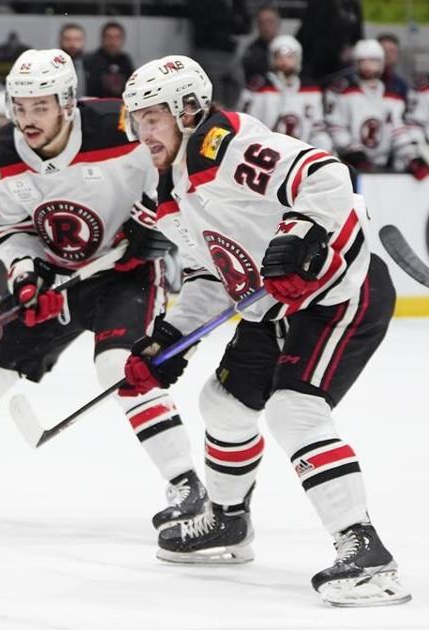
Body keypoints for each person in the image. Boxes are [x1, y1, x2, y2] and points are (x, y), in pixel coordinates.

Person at [0, 49, 206, 538]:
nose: (28, 119)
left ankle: (186, 483)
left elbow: (174, 162)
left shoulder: (119, 127)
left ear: (68, 102)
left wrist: (156, 218)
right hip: (54, 275)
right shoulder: (2, 154)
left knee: (119, 367)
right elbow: (8, 226)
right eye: (21, 107)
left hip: (126, 271)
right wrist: (27, 273)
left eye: (41, 106)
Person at [121, 55, 411, 607]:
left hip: (339, 292)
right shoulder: (169, 191)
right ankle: (228, 523)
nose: (143, 131)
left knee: (293, 409)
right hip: (272, 308)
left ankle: (366, 554)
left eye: (153, 117)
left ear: (188, 110)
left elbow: (323, 175)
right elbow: (211, 273)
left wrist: (301, 238)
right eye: (136, 120)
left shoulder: (224, 147)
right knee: (223, 404)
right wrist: (168, 336)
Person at [324, 40, 425, 179]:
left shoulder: (393, 98)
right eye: (362, 61)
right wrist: (353, 151)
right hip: (349, 166)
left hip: (382, 167)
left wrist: (411, 157)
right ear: (356, 64)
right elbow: (336, 127)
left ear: (382, 63)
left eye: (373, 61)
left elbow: (399, 133)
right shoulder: (344, 94)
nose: (368, 66)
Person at [238, 35, 332, 151]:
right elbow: (245, 126)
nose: (284, 61)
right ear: (272, 59)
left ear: (298, 59)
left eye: (290, 57)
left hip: (300, 156)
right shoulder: (258, 88)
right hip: (264, 154)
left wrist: (325, 150)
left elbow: (317, 130)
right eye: (279, 57)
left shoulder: (311, 90)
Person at [83, 21, 133, 98]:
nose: (113, 41)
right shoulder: (90, 60)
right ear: (102, 38)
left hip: (121, 106)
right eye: (109, 37)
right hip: (95, 106)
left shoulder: (125, 60)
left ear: (123, 40)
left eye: (117, 37)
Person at [240, 5, 280, 88]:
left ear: (278, 23)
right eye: (262, 22)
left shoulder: (289, 47)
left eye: (270, 22)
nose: (266, 27)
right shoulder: (251, 52)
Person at [58, 23, 86, 98]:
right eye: (68, 39)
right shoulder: (50, 65)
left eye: (77, 40)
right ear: (60, 41)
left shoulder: (92, 65)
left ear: (83, 41)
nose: (72, 44)